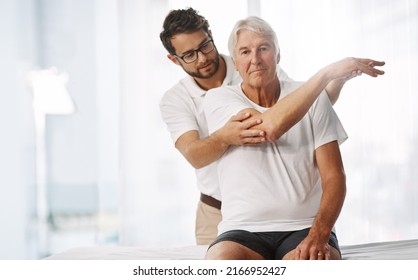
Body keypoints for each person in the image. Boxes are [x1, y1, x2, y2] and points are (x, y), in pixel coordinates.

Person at [159, 7, 384, 245]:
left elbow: (301, 105)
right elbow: (195, 154)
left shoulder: (254, 61)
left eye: (205, 46)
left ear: (211, 37)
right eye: (189, 55)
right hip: (218, 208)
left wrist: (335, 81)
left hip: (285, 214)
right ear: (174, 59)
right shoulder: (176, 99)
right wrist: (224, 137)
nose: (202, 58)